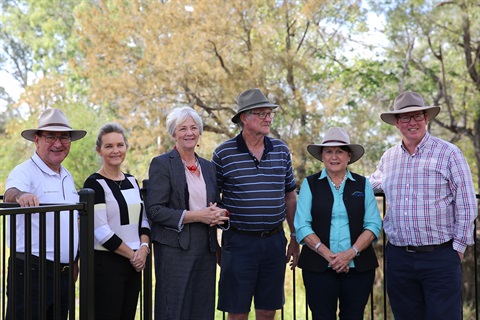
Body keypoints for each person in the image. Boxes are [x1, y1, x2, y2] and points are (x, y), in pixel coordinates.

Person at [369, 91, 478, 320]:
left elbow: (467, 203)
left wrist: (458, 248)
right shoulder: (388, 158)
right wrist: (332, 182)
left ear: (426, 118)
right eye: (405, 118)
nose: (412, 122)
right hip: (399, 258)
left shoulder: (449, 153)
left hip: (440, 256)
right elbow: (369, 185)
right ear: (397, 123)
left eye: (417, 116)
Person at [212, 88, 299, 320]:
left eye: (269, 113)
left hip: (274, 241)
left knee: (268, 311)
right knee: (237, 312)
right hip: (239, 243)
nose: (268, 118)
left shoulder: (280, 150)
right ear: (244, 118)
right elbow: (212, 201)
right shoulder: (223, 153)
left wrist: (294, 236)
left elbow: (290, 195)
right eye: (261, 113)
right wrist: (217, 244)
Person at [146, 107, 229, 320]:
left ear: (199, 132)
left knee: (202, 309)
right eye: (182, 128)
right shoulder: (162, 164)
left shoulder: (209, 168)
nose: (189, 133)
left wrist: (218, 214)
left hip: (206, 247)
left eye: (194, 127)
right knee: (174, 310)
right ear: (174, 133)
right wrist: (198, 216)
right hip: (175, 249)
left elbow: (214, 203)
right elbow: (155, 210)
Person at [3, 108, 86, 319]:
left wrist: (74, 260)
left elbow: (71, 221)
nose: (58, 144)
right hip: (31, 273)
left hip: (64, 274)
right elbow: (10, 193)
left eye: (64, 137)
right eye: (51, 137)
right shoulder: (24, 171)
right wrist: (22, 195)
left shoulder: (66, 175)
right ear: (37, 140)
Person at [294, 127, 382, 320]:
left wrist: (349, 254)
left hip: (358, 268)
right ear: (322, 156)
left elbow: (373, 224)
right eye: (329, 151)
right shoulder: (310, 184)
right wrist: (330, 256)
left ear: (349, 156)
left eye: (340, 151)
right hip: (318, 268)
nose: (334, 156)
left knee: (354, 316)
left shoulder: (362, 184)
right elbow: (301, 225)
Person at [82, 123, 151, 320]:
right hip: (107, 264)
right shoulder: (94, 183)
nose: (115, 151)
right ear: (99, 151)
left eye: (120, 145)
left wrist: (144, 248)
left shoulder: (131, 181)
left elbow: (143, 220)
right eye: (109, 146)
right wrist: (133, 255)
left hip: (134, 263)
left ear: (126, 147)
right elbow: (101, 230)